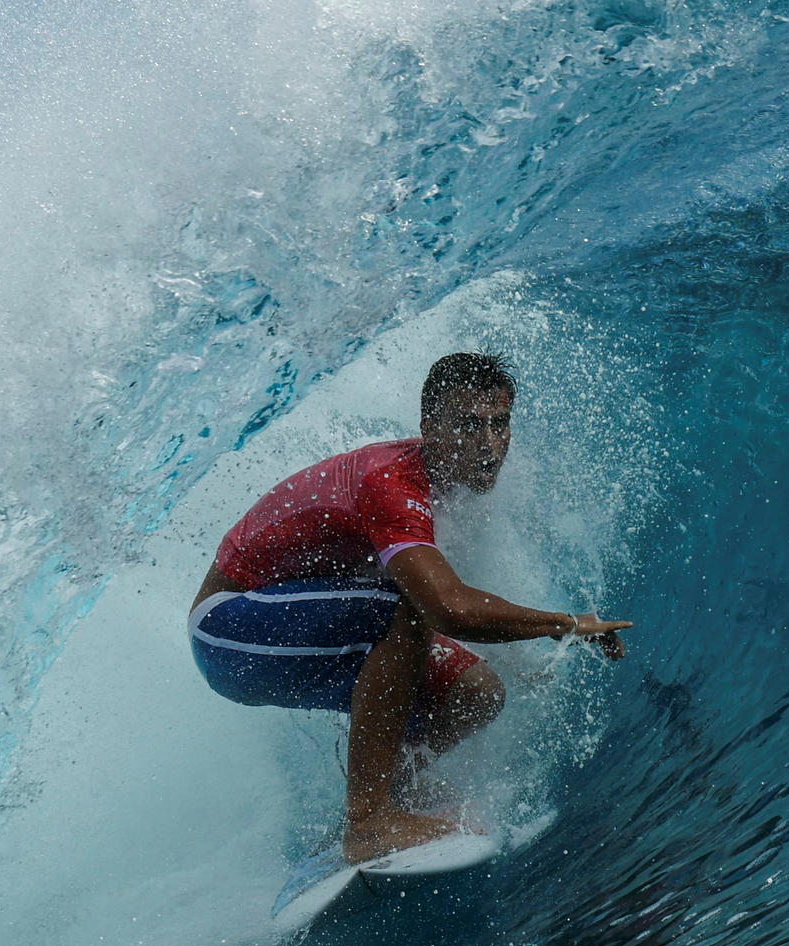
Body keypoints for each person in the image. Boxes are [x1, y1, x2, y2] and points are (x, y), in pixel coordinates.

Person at [187, 352, 631, 861]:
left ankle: (386, 798)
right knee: (414, 609)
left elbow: (458, 605)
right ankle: (369, 821)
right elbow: (449, 608)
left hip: (292, 632)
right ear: (430, 427)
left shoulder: (442, 485)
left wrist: (518, 660)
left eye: (499, 424)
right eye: (469, 425)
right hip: (229, 630)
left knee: (476, 691)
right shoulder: (391, 484)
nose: (489, 445)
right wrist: (567, 625)